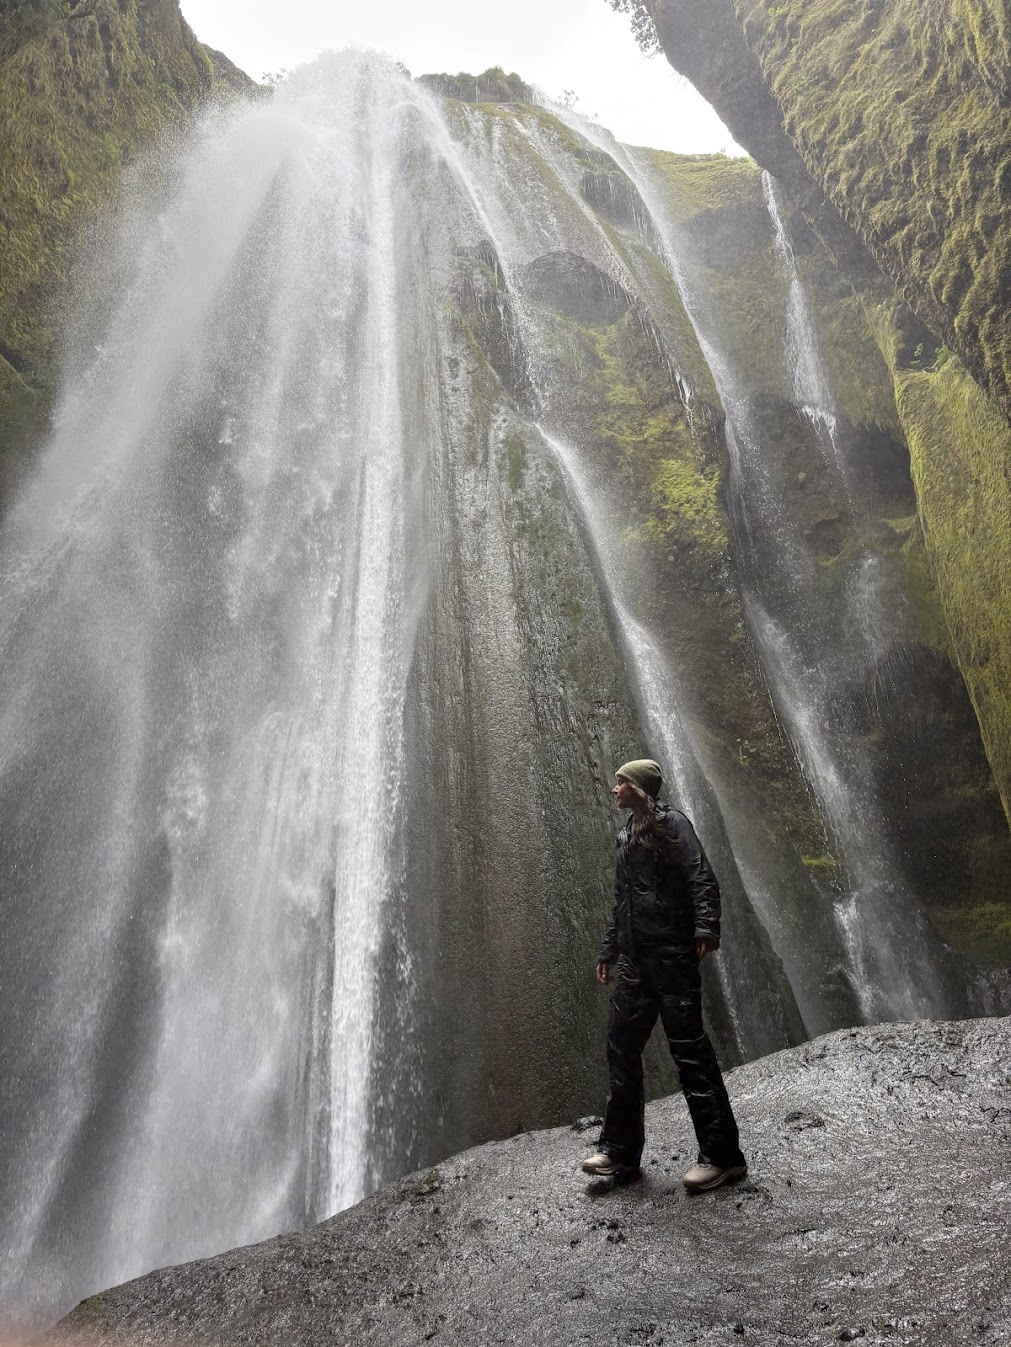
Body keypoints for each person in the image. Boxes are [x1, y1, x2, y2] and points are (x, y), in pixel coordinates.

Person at [581, 758, 747, 1192]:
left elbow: (701, 878)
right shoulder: (624, 837)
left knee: (690, 1053)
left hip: (671, 956)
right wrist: (609, 950)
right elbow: (623, 903)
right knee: (621, 1048)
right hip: (635, 962)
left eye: (621, 782)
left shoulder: (674, 823)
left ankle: (722, 1157)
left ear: (640, 787)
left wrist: (706, 928)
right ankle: (619, 1153)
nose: (614, 788)